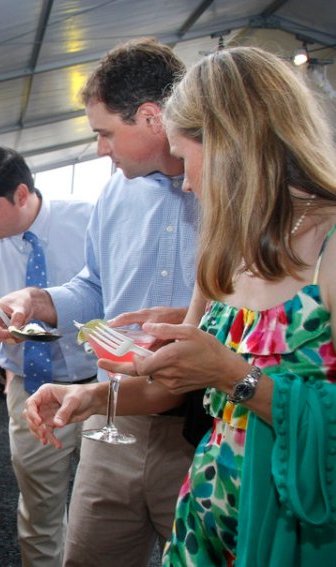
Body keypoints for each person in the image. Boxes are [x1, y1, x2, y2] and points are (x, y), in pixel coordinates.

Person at [78, 46, 336, 566]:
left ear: (231, 146)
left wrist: (231, 375)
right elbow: (171, 380)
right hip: (209, 515)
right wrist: (88, 395)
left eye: (188, 157)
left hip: (283, 527)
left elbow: (240, 380)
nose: (189, 182)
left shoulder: (329, 246)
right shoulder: (227, 249)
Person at [0, 39, 198, 566]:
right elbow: (95, 288)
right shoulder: (115, 194)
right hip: (116, 417)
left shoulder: (235, 192)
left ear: (152, 118)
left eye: (106, 133)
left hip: (204, 426)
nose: (101, 150)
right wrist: (38, 299)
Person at [0, 145, 97, 567]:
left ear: (22, 194)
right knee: (40, 509)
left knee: (106, 511)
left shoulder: (90, 221)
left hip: (105, 390)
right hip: (31, 395)